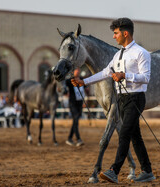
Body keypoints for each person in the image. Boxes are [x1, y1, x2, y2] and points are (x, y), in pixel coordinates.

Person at [72, 17, 155, 183]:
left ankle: (114, 171)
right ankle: (147, 171)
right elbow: (105, 73)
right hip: (122, 99)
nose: (113, 36)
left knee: (124, 133)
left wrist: (125, 75)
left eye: (116, 33)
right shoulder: (118, 55)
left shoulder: (141, 53)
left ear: (125, 33)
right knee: (134, 136)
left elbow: (145, 78)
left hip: (136, 97)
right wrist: (84, 82)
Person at [65, 68, 85, 147]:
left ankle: (69, 138)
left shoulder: (82, 79)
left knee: (75, 121)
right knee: (76, 119)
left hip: (79, 103)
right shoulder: (70, 81)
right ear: (73, 72)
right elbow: (63, 84)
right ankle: (78, 139)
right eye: (76, 70)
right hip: (72, 103)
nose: (78, 71)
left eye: (79, 70)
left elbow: (84, 88)